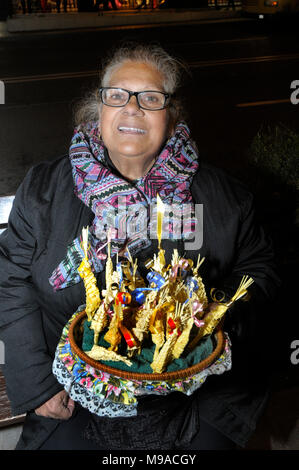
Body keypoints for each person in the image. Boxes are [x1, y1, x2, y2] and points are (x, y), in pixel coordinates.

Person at [0, 43, 280, 450]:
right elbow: (10, 278)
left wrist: (213, 322)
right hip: (76, 391)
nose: (132, 108)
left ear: (171, 116)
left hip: (196, 397)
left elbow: (261, 269)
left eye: (150, 98)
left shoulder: (222, 194)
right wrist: (38, 382)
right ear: (100, 109)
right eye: (117, 95)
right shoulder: (45, 188)